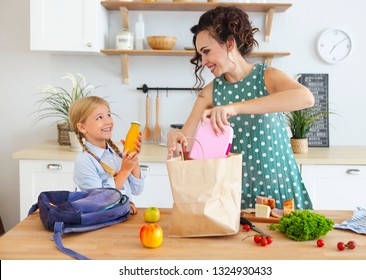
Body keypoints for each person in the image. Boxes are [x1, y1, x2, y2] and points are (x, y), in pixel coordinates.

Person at [167, 6, 315, 210]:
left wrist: (234, 108)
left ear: (229, 43)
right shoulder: (210, 92)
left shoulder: (267, 77)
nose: (203, 61)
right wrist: (176, 136)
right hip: (233, 195)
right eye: (201, 54)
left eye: (206, 51)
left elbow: (305, 98)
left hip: (279, 188)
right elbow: (187, 144)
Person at [69, 96, 145, 212]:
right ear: (82, 127)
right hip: (102, 223)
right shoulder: (84, 161)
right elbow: (100, 199)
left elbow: (137, 189)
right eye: (99, 117)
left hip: (124, 217)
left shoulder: (117, 154)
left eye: (108, 115)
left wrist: (133, 160)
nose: (108, 121)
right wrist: (124, 170)